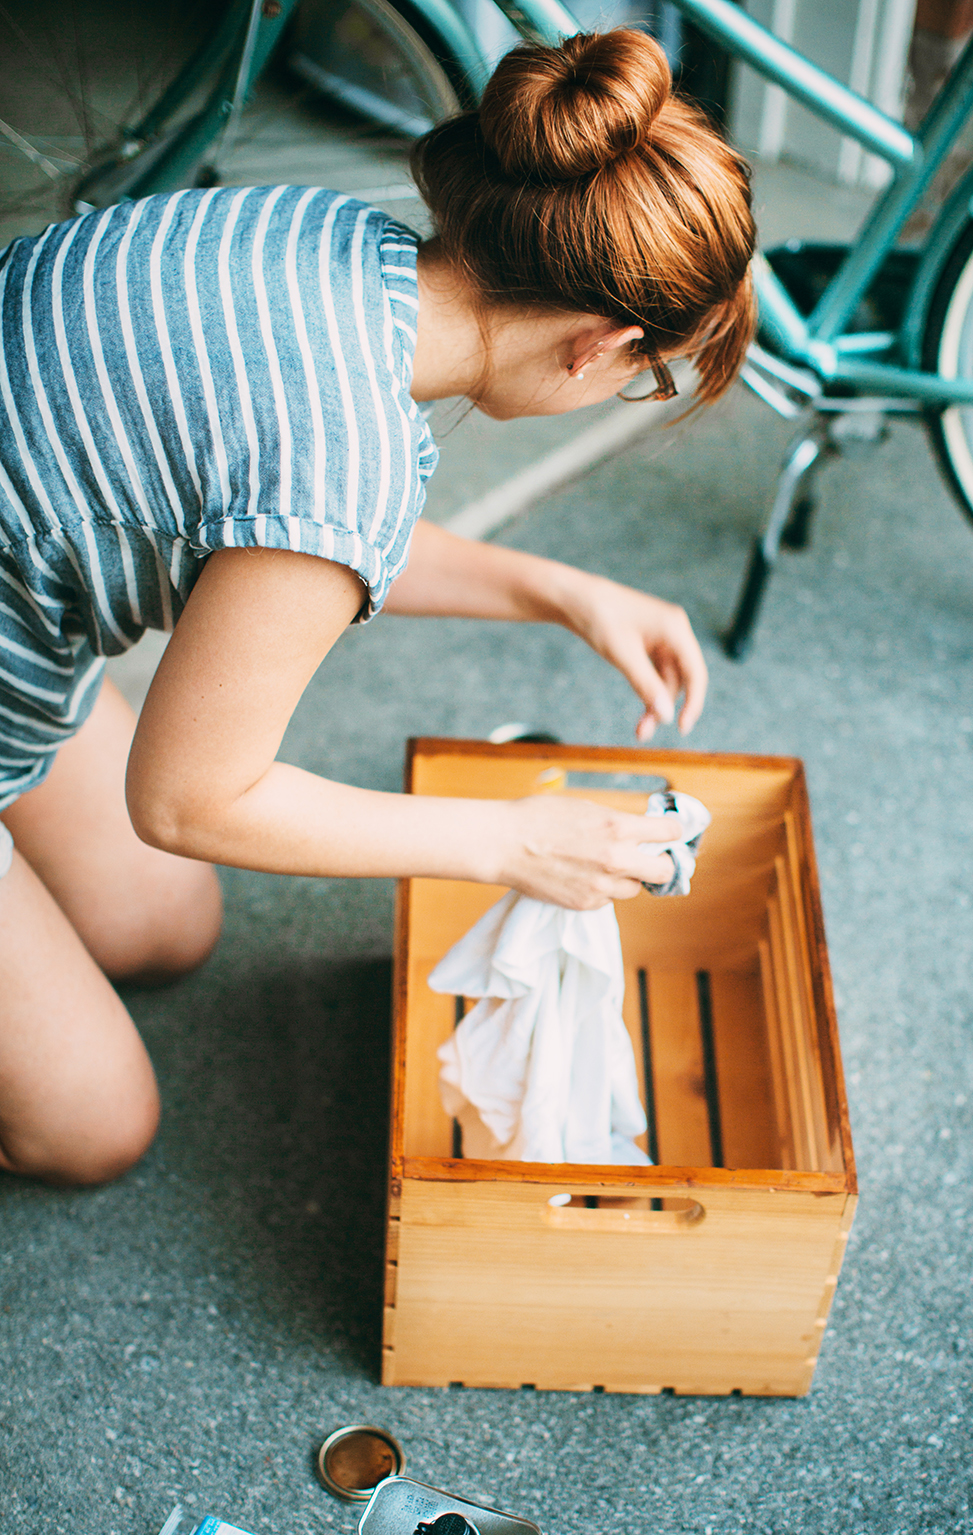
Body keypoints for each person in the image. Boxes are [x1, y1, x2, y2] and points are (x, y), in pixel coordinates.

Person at [0, 28, 756, 1186]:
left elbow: (280, 536)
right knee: (96, 1130)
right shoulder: (339, 452)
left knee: (164, 930)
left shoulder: (329, 237)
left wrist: (557, 591)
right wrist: (507, 842)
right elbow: (192, 799)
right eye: (647, 376)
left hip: (22, 634)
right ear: (598, 347)